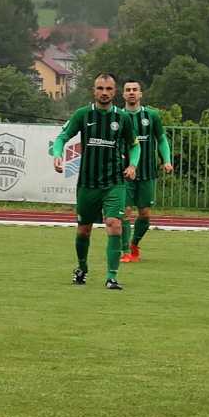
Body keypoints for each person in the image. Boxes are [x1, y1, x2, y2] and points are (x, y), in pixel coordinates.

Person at [49, 73, 140, 289]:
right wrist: (57, 154)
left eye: (108, 89)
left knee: (114, 225)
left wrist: (133, 165)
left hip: (114, 182)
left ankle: (111, 277)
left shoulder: (122, 118)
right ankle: (82, 268)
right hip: (88, 184)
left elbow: (134, 145)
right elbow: (62, 137)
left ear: (114, 92)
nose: (104, 93)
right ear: (94, 91)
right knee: (84, 230)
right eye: (100, 88)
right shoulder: (83, 114)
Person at [118, 79, 173, 263]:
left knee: (145, 214)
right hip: (124, 173)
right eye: (128, 90)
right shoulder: (118, 116)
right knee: (125, 212)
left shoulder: (151, 115)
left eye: (135, 89)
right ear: (123, 94)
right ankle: (125, 251)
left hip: (147, 172)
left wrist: (167, 160)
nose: (131, 92)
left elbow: (162, 139)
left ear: (140, 94)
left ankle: (134, 244)